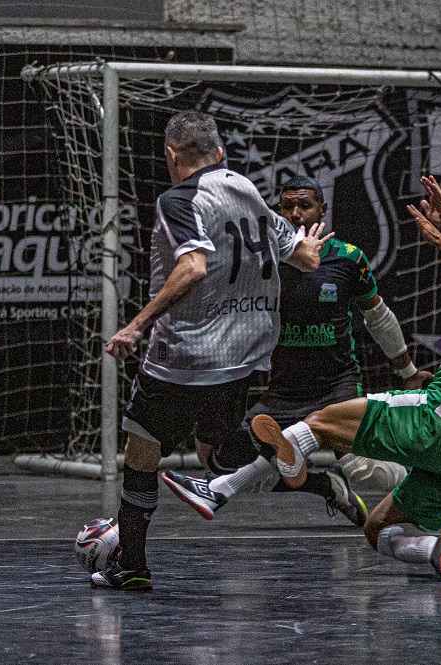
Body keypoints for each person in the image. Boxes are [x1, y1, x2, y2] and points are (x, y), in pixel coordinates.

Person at [251, 175, 441, 582]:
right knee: (379, 531)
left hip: (440, 421)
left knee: (320, 422)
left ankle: (261, 474)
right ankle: (438, 548)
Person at [90, 111, 332, 591]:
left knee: (141, 450)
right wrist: (307, 243)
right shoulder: (246, 188)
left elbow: (193, 267)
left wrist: (135, 326)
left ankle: (132, 565)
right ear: (220, 153)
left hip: (185, 355)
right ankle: (296, 468)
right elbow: (306, 258)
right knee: (212, 453)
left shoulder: (178, 199)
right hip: (244, 355)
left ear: (171, 155)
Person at [161, 176, 432, 527]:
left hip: (336, 385)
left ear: (323, 209)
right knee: (219, 461)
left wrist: (408, 371)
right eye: (287, 206)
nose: (296, 213)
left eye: (304, 205)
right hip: (284, 391)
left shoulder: (349, 258)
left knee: (364, 469)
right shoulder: (263, 261)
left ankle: (440, 488)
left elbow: (378, 317)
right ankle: (325, 485)